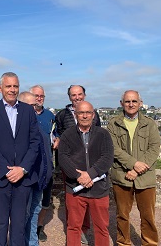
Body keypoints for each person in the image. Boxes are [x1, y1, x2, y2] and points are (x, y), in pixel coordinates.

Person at [0, 72, 40, 246]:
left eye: (15, 86)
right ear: (0, 88)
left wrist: (22, 169)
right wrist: (7, 171)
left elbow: (35, 142)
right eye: (8, 86)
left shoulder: (28, 110)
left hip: (23, 177)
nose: (12, 90)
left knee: (19, 224)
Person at [107, 90, 161, 246]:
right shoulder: (113, 123)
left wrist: (136, 169)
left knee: (148, 216)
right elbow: (114, 148)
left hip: (145, 177)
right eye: (128, 101)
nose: (131, 104)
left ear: (140, 103)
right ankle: (124, 243)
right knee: (122, 215)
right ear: (121, 103)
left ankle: (149, 243)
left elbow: (154, 148)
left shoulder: (149, 123)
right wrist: (133, 164)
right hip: (122, 176)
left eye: (134, 101)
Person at [58, 101, 114, 246]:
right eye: (81, 113)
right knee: (74, 227)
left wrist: (90, 174)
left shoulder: (103, 134)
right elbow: (63, 158)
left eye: (88, 112)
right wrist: (79, 176)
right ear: (75, 115)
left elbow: (107, 157)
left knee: (101, 228)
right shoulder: (67, 135)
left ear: (93, 115)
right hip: (75, 188)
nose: (84, 116)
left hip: (98, 188)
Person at [55, 84, 100, 244]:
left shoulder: (94, 114)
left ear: (84, 95)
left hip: (89, 164)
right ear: (69, 97)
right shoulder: (61, 115)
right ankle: (75, 231)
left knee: (89, 198)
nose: (77, 97)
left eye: (79, 94)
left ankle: (84, 229)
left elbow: (98, 136)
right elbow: (58, 133)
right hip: (70, 164)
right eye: (73, 95)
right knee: (72, 200)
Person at [18, 91, 53, 246]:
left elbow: (45, 155)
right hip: (25, 181)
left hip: (39, 179)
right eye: (30, 105)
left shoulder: (36, 127)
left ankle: (32, 243)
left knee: (34, 213)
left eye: (35, 105)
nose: (34, 108)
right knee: (23, 215)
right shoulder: (17, 128)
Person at [29, 85, 57, 242]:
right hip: (31, 168)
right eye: (36, 95)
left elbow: (56, 132)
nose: (39, 98)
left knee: (45, 201)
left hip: (46, 166)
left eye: (41, 96)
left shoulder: (49, 115)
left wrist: (57, 138)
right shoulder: (25, 113)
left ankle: (39, 227)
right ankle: (30, 231)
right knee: (31, 203)